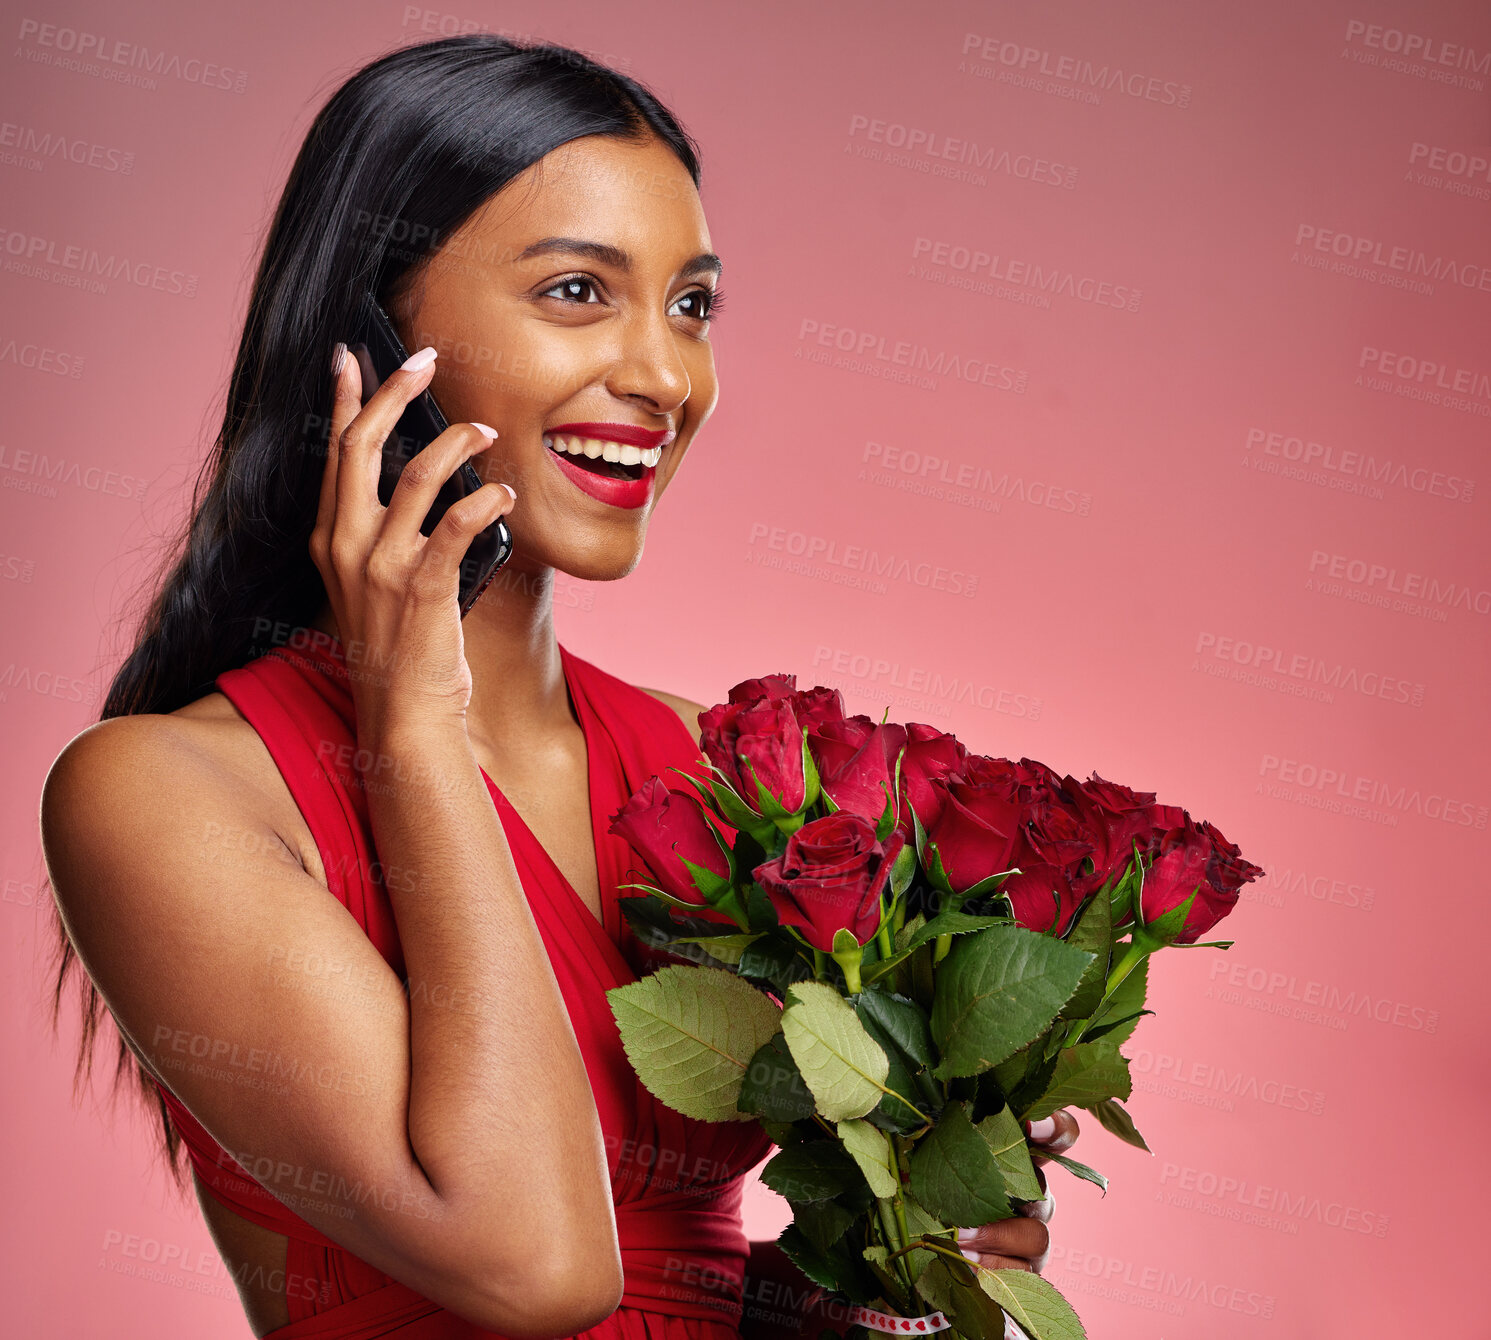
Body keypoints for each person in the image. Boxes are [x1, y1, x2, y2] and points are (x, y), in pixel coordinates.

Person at [39, 34, 1077, 1339]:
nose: (663, 377)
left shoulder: (719, 768)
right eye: (579, 291)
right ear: (375, 330)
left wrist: (885, 1273)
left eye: (690, 304)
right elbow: (537, 1267)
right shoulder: (157, 796)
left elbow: (674, 1287)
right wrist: (415, 728)